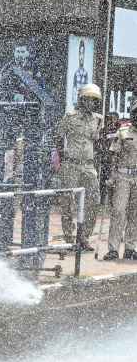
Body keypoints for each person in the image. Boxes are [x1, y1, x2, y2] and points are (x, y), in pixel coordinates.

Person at [52, 83, 102, 251]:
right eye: (88, 100)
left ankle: (84, 237)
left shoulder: (98, 119)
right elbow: (58, 137)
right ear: (82, 100)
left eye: (94, 101)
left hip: (88, 166)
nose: (92, 103)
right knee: (68, 202)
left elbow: (97, 141)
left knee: (93, 201)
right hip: (71, 164)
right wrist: (61, 156)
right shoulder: (70, 116)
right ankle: (69, 237)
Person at [104, 105, 137, 261]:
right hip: (122, 175)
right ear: (132, 115)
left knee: (135, 214)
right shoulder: (123, 132)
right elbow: (113, 155)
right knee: (118, 211)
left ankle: (130, 247)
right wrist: (111, 177)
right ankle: (113, 249)